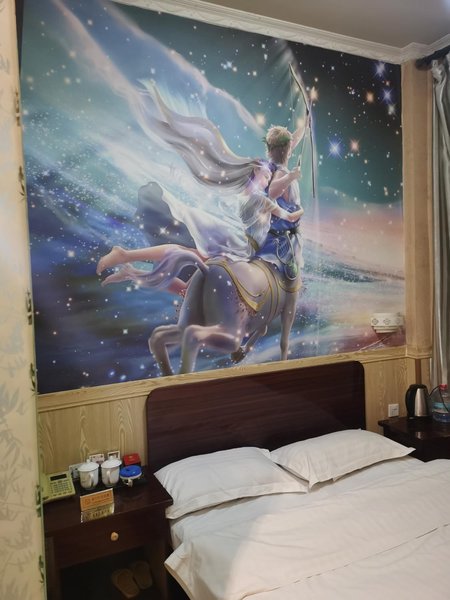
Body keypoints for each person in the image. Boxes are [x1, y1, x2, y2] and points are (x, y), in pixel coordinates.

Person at [96, 160, 303, 294]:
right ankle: (126, 259)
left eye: (269, 178)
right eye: (266, 176)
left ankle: (130, 268)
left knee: (187, 264)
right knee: (193, 269)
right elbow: (291, 217)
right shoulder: (261, 200)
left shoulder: (244, 194)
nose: (267, 181)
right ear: (256, 170)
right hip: (241, 248)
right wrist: (298, 204)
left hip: (237, 243)